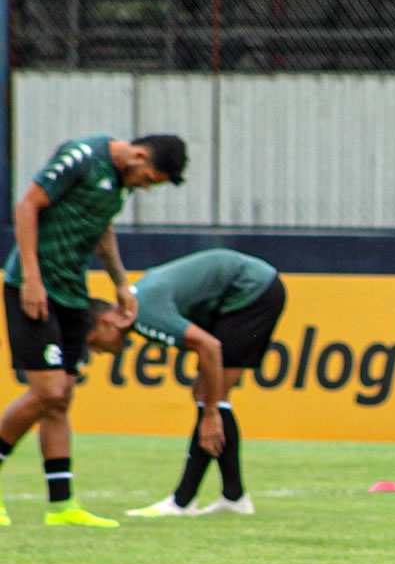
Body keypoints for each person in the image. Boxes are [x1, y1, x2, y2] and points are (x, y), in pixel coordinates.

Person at [0, 134, 187, 528]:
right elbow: (27, 205)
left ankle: (62, 506)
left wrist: (120, 283)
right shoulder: (82, 157)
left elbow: (102, 231)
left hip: (72, 294)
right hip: (34, 289)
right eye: (148, 179)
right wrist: (31, 278)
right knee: (47, 391)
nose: (144, 187)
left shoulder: (117, 187)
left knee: (61, 398)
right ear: (139, 155)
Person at [86, 248, 286, 517]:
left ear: (106, 321)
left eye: (93, 342)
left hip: (252, 290)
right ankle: (231, 497)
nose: (97, 351)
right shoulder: (137, 307)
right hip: (245, 289)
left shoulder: (143, 315)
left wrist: (211, 414)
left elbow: (210, 346)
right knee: (206, 393)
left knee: (211, 396)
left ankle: (185, 502)